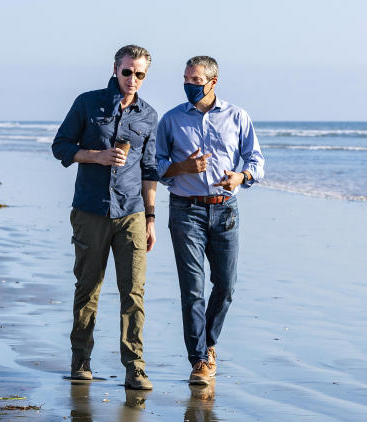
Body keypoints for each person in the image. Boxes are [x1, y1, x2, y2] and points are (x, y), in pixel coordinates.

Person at [51, 44, 158, 390]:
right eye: (127, 72)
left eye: (140, 74)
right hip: (90, 210)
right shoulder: (87, 103)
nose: (132, 80)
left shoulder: (148, 115)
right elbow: (61, 146)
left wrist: (151, 218)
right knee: (88, 288)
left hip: (132, 213)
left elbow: (149, 169)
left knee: (134, 292)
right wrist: (95, 156)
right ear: (115, 69)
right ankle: (81, 360)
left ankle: (135, 367)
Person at [156, 55, 264, 384]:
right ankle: (199, 359)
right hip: (185, 209)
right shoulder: (171, 120)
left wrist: (241, 176)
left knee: (226, 286)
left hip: (226, 209)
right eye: (186, 80)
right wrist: (182, 168)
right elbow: (158, 166)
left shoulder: (237, 116)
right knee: (192, 289)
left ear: (212, 82)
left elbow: (257, 160)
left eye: (195, 80)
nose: (189, 85)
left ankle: (210, 343)